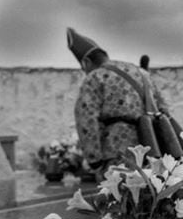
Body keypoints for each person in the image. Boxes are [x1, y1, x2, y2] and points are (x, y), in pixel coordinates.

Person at [67, 27, 170, 177]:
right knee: (152, 196)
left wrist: (94, 159)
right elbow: (163, 108)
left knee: (119, 197)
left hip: (117, 153)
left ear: (86, 62)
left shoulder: (95, 77)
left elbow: (86, 119)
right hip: (154, 150)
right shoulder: (142, 73)